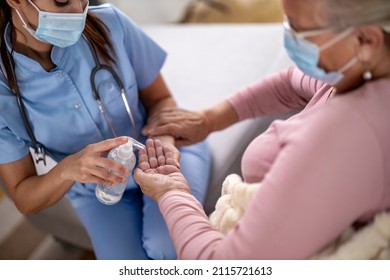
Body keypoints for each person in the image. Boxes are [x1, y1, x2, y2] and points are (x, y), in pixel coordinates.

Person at [135, 0, 390, 259]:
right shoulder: (351, 73)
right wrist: (209, 119)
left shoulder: (343, 135)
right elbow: (290, 82)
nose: (291, 40)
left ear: (366, 40)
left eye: (301, 31)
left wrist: (172, 191)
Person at [0, 0, 211, 260]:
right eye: (62, 1)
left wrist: (162, 145)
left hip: (164, 153)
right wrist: (67, 169)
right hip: (94, 188)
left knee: (166, 248)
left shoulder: (110, 24)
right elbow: (24, 196)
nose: (79, 11)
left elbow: (161, 100)